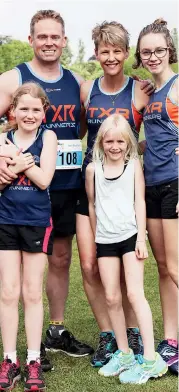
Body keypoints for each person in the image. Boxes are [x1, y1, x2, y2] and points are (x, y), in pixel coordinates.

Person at [0, 9, 93, 360]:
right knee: (16, 272)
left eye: (56, 36)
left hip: (64, 184)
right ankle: (19, 344)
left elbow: (81, 129)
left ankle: (53, 331)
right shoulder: (12, 79)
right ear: (31, 40)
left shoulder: (77, 82)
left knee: (60, 258)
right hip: (20, 189)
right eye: (42, 36)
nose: (49, 42)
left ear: (64, 40)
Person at [76, 21, 153, 367]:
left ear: (125, 53)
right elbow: (78, 131)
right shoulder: (86, 89)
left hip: (125, 191)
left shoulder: (140, 90)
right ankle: (109, 336)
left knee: (126, 268)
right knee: (92, 265)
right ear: (96, 53)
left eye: (117, 50)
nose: (110, 57)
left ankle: (133, 332)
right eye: (104, 50)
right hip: (91, 188)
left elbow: (161, 128)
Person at [85, 113, 168, 384]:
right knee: (111, 297)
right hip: (105, 240)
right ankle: (124, 354)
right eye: (109, 141)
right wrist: (98, 239)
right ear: (100, 142)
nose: (115, 146)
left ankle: (150, 359)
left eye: (121, 141)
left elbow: (140, 202)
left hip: (131, 238)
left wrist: (142, 238)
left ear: (129, 143)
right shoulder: (93, 170)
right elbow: (92, 205)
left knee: (134, 294)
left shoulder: (133, 166)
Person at [0, 82, 57, 391]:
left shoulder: (47, 137)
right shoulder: (1, 140)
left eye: (36, 109)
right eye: (24, 108)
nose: (30, 114)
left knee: (32, 292)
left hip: (36, 222)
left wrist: (18, 159)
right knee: (8, 292)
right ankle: (10, 360)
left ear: (43, 112)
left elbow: (45, 179)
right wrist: (14, 166)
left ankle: (34, 360)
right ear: (13, 111)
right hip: (5, 221)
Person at [133, 18, 178, 375]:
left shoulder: (177, 87)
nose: (153, 56)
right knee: (163, 268)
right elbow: (161, 137)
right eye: (146, 51)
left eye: (158, 50)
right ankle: (172, 339)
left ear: (170, 50)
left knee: (176, 267)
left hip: (175, 186)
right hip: (151, 185)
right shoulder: (151, 92)